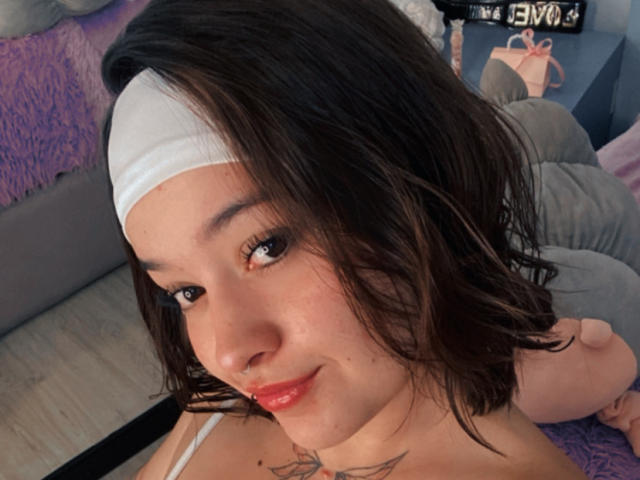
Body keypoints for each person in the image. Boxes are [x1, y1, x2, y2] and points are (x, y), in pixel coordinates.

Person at [102, 0, 589, 478]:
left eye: (268, 247)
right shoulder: (222, 407)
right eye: (188, 291)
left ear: (411, 182)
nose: (230, 354)